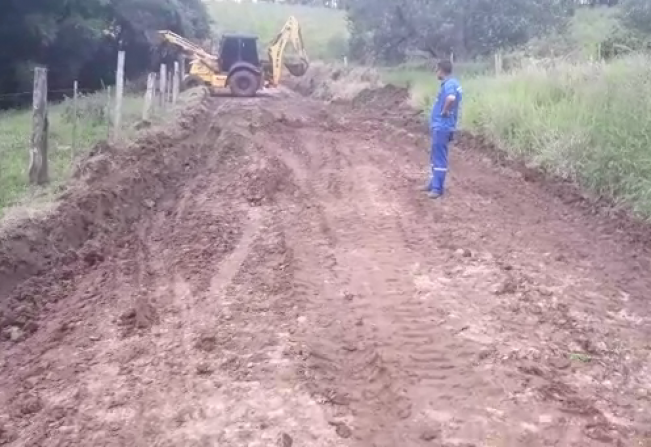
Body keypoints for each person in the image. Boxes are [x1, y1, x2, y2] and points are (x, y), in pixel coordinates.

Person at [424, 59, 463, 199]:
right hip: (442, 126)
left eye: (437, 70)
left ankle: (437, 188)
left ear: (441, 70)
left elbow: (451, 98)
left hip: (442, 126)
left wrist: (445, 111)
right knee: (435, 155)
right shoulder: (453, 83)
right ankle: (432, 183)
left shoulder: (449, 84)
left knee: (439, 156)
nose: (436, 72)